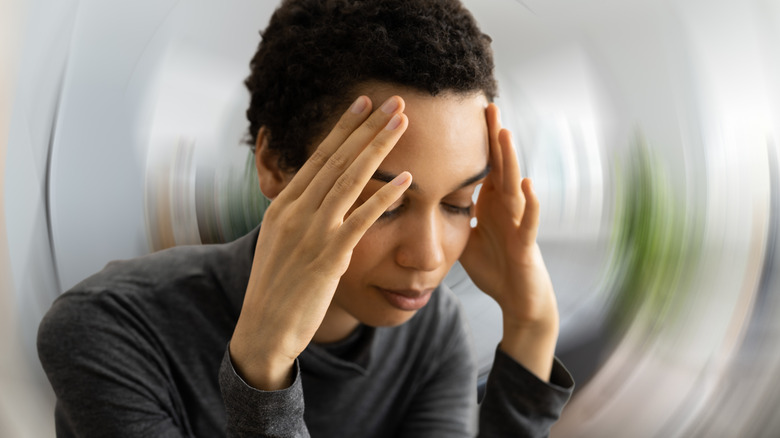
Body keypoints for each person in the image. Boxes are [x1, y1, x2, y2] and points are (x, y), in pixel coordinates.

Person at [37, 0, 574, 436]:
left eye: (459, 205)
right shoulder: (111, 329)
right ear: (273, 163)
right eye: (381, 203)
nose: (430, 257)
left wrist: (531, 329)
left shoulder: (432, 337)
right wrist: (262, 370)